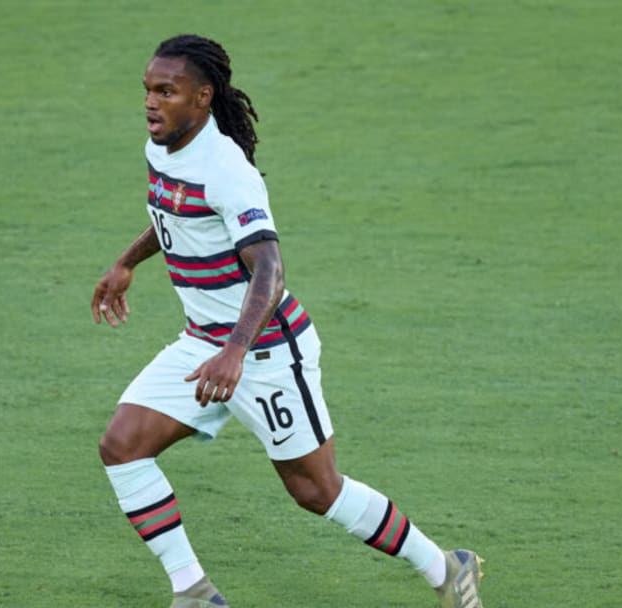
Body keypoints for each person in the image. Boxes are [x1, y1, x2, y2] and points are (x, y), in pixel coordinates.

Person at [91, 34, 485, 608]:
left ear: (202, 98)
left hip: (268, 351)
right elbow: (174, 211)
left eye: (166, 91)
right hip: (205, 343)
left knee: (316, 490)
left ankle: (448, 569)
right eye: (148, 90)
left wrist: (235, 352)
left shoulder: (227, 170)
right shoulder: (163, 147)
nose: (151, 103)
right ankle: (194, 593)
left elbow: (270, 269)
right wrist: (127, 262)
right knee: (122, 445)